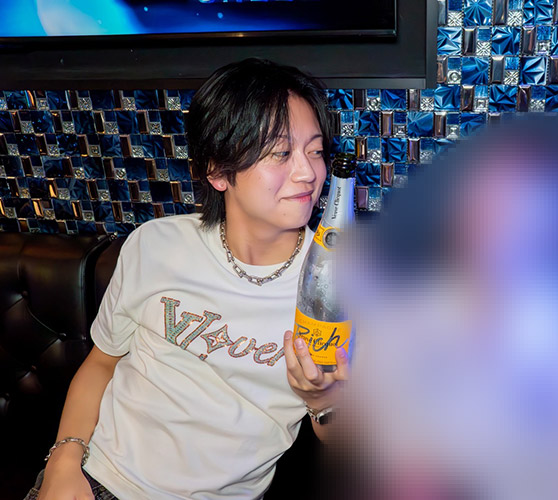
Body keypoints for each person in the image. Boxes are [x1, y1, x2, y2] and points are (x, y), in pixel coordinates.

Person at [26, 58, 348, 500]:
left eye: (315, 151)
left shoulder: (336, 283)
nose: (308, 172)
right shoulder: (155, 245)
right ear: (217, 170)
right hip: (96, 479)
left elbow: (350, 444)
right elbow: (102, 362)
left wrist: (323, 401)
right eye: (279, 153)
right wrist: (63, 462)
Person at [328, 116, 558, 500]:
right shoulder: (415, 316)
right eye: (488, 215)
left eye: (533, 223)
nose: (501, 242)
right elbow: (384, 450)